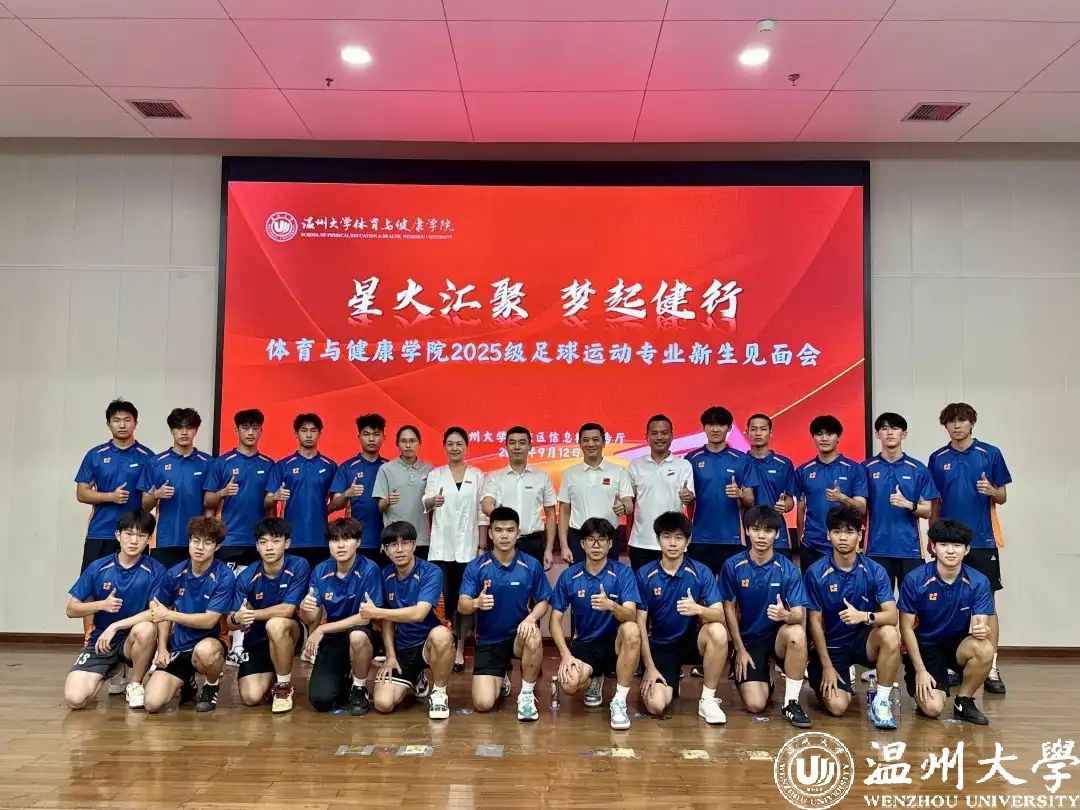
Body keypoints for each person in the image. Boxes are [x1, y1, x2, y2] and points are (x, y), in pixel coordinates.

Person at [929, 402, 1011, 695]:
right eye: (951, 421)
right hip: (948, 541)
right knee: (949, 602)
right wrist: (933, 536)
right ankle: (955, 664)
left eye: (962, 420)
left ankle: (991, 666)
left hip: (982, 541)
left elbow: (1003, 495)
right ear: (945, 426)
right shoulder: (937, 458)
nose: (957, 426)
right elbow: (935, 501)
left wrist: (992, 491)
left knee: (987, 604)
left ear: (971, 423)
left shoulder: (990, 453)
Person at [804, 506, 901, 730]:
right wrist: (827, 666)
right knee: (838, 707)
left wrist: (863, 616)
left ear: (860, 534)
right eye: (837, 531)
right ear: (828, 535)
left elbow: (892, 615)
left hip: (862, 642)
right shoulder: (816, 573)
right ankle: (836, 675)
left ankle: (881, 701)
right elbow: (814, 623)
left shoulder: (874, 570)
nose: (843, 537)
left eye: (849, 532)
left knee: (889, 633)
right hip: (832, 648)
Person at [719, 506, 813, 728]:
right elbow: (728, 609)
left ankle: (791, 702)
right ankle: (765, 679)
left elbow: (798, 615)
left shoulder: (788, 569)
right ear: (747, 531)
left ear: (777, 534)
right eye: (756, 529)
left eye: (768, 531)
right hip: (750, 641)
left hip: (779, 638)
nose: (761, 536)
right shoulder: (733, 566)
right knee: (755, 704)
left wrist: (785, 614)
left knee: (797, 633)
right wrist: (739, 649)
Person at [64, 510, 165, 710]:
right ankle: (111, 668)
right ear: (118, 535)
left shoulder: (156, 570)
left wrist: (116, 626)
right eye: (128, 534)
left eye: (141, 536)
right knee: (75, 699)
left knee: (146, 629)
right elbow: (71, 609)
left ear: (148, 540)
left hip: (130, 639)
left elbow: (156, 612)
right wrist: (101, 605)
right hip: (101, 640)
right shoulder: (98, 567)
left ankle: (135, 684)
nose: (134, 541)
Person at [458, 507, 552, 721]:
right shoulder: (476, 566)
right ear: (490, 533)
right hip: (489, 641)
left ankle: (526, 694)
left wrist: (531, 618)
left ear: (518, 533)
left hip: (519, 637)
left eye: (510, 530)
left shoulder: (531, 564)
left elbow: (543, 602)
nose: (504, 535)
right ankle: (501, 676)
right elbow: (462, 605)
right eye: (499, 530)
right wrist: (476, 602)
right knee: (483, 704)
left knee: (534, 635)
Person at [635, 511, 729, 724]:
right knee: (656, 705)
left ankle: (707, 700)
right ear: (658, 539)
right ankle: (669, 683)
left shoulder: (701, 572)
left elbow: (719, 614)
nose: (672, 543)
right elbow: (640, 624)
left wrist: (698, 609)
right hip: (661, 646)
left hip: (692, 642)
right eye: (667, 537)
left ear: (687, 541)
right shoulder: (645, 574)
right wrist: (649, 667)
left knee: (717, 631)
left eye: (678, 537)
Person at [898, 519, 995, 725]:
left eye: (957, 545)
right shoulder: (915, 579)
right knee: (933, 708)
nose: (950, 551)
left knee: (984, 648)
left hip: (955, 645)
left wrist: (982, 630)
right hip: (924, 647)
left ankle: (964, 702)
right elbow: (906, 628)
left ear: (966, 550)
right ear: (933, 547)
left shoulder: (979, 581)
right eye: (943, 545)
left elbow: (980, 623)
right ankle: (929, 683)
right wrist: (921, 671)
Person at [550, 517, 641, 730]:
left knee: (632, 630)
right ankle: (594, 679)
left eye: (602, 540)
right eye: (591, 540)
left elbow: (631, 615)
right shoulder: (570, 576)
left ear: (610, 544)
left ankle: (619, 701)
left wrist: (611, 606)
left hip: (615, 645)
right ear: (582, 544)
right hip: (585, 644)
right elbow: (555, 620)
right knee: (569, 683)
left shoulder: (623, 573)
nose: (597, 545)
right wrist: (565, 654)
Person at [143, 517, 237, 714]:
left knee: (206, 652)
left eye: (207, 542)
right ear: (189, 542)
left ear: (217, 546)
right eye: (195, 541)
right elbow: (161, 612)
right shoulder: (174, 573)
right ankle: (187, 682)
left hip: (211, 642)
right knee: (152, 703)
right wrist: (162, 648)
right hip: (179, 645)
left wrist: (169, 615)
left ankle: (211, 686)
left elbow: (209, 620)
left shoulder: (224, 576)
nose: (200, 547)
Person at [203, 408, 274, 666]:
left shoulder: (269, 464)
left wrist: (270, 533)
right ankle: (223, 642)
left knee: (250, 594)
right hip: (229, 540)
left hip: (256, 541)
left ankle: (240, 646)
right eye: (245, 427)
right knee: (226, 592)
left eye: (255, 428)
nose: (250, 432)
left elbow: (269, 506)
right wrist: (222, 492)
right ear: (236, 430)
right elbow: (208, 500)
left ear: (261, 431)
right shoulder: (222, 463)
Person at [370, 521, 454, 720]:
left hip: (430, 644)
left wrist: (378, 612)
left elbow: (419, 614)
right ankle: (416, 677)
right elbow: (387, 621)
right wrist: (390, 656)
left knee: (441, 635)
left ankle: (439, 693)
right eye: (393, 544)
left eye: (405, 543)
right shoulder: (385, 575)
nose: (399, 549)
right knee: (383, 703)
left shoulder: (431, 572)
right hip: (404, 647)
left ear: (414, 545)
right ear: (385, 550)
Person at [300, 517, 383, 715]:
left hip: (364, 632)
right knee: (321, 701)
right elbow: (310, 618)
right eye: (334, 540)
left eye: (347, 539)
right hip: (334, 636)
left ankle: (359, 687)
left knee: (357, 636)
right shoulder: (321, 570)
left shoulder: (369, 569)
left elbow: (366, 617)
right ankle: (345, 676)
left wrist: (322, 628)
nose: (340, 545)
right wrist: (305, 608)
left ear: (358, 542)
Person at [228, 517, 310, 714]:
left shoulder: (299, 565)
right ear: (257, 546)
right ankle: (273, 673)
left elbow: (287, 610)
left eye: (275, 541)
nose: (269, 547)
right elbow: (231, 622)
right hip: (257, 637)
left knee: (275, 624)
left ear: (287, 543)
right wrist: (237, 618)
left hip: (290, 630)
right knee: (251, 697)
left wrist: (252, 614)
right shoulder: (246, 576)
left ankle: (283, 687)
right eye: (263, 542)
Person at [425, 427, 486, 671]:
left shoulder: (477, 475)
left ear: (467, 447)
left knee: (465, 600)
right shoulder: (436, 474)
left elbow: (482, 514)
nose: (454, 448)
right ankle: (445, 645)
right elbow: (426, 501)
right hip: (442, 547)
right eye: (450, 444)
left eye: (459, 444)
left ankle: (460, 648)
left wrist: (482, 545)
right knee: (445, 599)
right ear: (444, 447)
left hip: (469, 548)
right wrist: (432, 501)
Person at [74, 399, 154, 573]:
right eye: (116, 420)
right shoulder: (95, 455)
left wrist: (155, 496)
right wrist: (110, 496)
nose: (122, 425)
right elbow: (81, 493)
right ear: (108, 425)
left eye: (127, 420)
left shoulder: (148, 457)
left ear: (135, 423)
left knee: (135, 586)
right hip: (100, 532)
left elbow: (148, 503)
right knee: (92, 585)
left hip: (135, 535)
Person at [863, 412, 938, 590]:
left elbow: (927, 511)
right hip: (876, 549)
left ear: (903, 434)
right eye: (884, 428)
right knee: (878, 601)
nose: (889, 433)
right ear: (877, 434)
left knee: (913, 601)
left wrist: (908, 504)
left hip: (910, 549)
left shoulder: (918, 469)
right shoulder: (865, 468)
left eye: (895, 428)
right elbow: (859, 507)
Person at [685, 406, 757, 574]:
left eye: (721, 424)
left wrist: (740, 494)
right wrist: (686, 497)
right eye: (710, 424)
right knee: (700, 588)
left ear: (729, 428)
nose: (715, 429)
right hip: (698, 538)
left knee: (731, 589)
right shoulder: (691, 459)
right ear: (703, 428)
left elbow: (750, 501)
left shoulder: (742, 459)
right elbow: (687, 500)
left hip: (733, 539)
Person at [794, 415, 867, 575]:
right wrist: (801, 540)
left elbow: (862, 508)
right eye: (819, 434)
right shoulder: (803, 471)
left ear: (838, 437)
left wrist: (842, 498)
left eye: (830, 434)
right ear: (813, 438)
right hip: (811, 545)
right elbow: (800, 508)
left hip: (844, 545)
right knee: (810, 589)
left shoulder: (854, 469)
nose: (824, 438)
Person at [139, 408, 212, 569]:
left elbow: (211, 505)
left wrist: (210, 536)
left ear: (196, 430)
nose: (184, 432)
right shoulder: (155, 462)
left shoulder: (208, 462)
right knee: (163, 584)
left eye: (189, 427)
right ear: (172, 430)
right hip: (164, 540)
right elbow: (144, 505)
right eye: (179, 427)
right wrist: (157, 494)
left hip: (198, 540)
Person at [265, 413, 338, 569]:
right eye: (304, 430)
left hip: (321, 540)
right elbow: (267, 501)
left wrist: (321, 510)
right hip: (291, 539)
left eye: (313, 430)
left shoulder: (330, 466)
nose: (309, 435)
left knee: (319, 582)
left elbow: (337, 501)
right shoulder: (283, 465)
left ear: (319, 434)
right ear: (296, 434)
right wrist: (276, 496)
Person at [481, 426, 557, 568]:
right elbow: (486, 504)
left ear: (530, 446)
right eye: (512, 443)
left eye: (522, 443)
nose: (517, 447)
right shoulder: (495, 477)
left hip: (533, 543)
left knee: (532, 582)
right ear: (506, 446)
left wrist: (549, 550)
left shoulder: (542, 477)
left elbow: (551, 514)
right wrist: (503, 518)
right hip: (502, 542)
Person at [557, 422, 633, 566]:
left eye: (595, 440)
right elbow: (564, 511)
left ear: (604, 443)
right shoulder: (569, 473)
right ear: (580, 443)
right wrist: (564, 546)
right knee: (578, 578)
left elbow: (628, 504)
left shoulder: (618, 471)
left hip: (608, 538)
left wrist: (623, 507)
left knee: (610, 578)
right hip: (579, 538)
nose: (590, 444)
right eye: (586, 440)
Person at [627, 414, 695, 573]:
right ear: (647, 436)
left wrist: (688, 498)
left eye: (664, 433)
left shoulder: (683, 465)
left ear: (672, 436)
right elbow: (628, 501)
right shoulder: (635, 465)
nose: (659, 437)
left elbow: (689, 501)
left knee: (674, 586)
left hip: (673, 543)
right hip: (641, 542)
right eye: (654, 433)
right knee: (642, 587)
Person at [330, 413, 388, 566]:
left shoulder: (390, 468)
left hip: (386, 541)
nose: (371, 439)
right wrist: (347, 494)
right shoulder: (347, 467)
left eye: (376, 434)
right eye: (366, 434)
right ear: (359, 437)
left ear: (383, 437)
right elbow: (335, 503)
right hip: (356, 540)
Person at [373, 424, 434, 559]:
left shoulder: (429, 469)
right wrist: (388, 501)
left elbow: (433, 507)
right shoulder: (386, 469)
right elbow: (380, 506)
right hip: (395, 540)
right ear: (397, 444)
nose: (408, 445)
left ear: (419, 443)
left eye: (412, 441)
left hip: (422, 540)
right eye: (403, 441)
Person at [745, 413, 796, 559]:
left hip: (776, 532)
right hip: (746, 532)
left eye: (763, 429)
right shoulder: (739, 462)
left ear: (770, 432)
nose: (758, 433)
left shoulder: (784, 464)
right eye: (753, 429)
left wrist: (785, 506)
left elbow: (790, 500)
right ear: (747, 432)